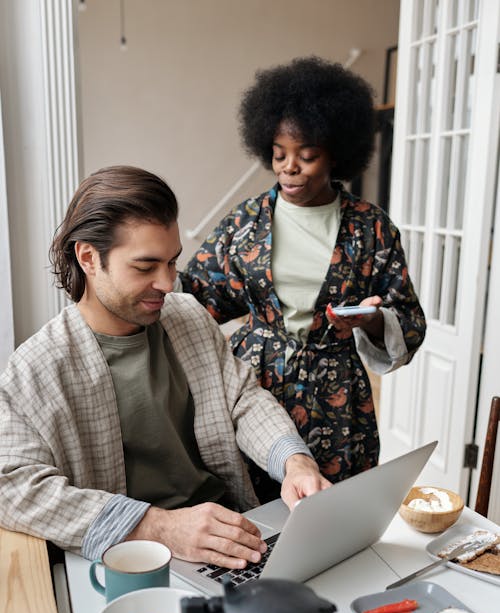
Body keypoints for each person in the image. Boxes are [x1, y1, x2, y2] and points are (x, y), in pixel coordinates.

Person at [0, 165, 330, 567]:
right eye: (146, 267)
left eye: (172, 262)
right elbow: (12, 485)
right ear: (88, 257)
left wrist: (294, 461)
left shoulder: (187, 316)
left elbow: (243, 399)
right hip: (132, 557)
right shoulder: (35, 368)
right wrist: (159, 528)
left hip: (229, 535)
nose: (168, 282)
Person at [178, 56, 426, 500]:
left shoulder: (370, 227)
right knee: (254, 509)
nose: (289, 167)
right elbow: (195, 294)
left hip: (338, 397)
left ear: (336, 155)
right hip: (256, 386)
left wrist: (371, 320)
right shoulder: (246, 222)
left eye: (306, 156)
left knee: (334, 510)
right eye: (279, 154)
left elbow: (407, 318)